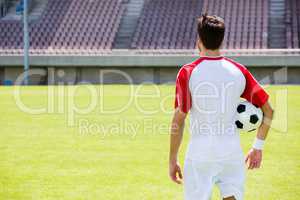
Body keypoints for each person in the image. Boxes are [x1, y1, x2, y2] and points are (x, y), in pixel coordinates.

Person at [168, 14, 274, 200]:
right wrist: (257, 147)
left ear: (199, 40)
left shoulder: (188, 72)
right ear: (222, 39)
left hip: (199, 155)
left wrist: (172, 159)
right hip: (231, 154)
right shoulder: (239, 71)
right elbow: (269, 110)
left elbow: (179, 119)